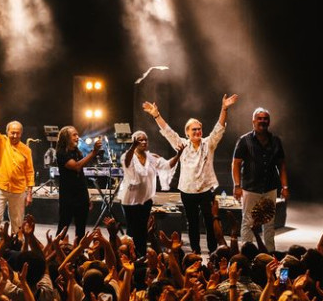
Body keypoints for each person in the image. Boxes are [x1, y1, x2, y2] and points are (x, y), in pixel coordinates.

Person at [142, 94, 237, 253]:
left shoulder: (209, 144)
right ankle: (195, 252)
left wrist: (224, 108)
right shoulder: (182, 144)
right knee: (192, 223)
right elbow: (168, 131)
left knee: (209, 221)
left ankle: (213, 251)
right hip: (187, 190)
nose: (198, 132)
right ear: (187, 133)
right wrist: (156, 115)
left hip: (206, 190)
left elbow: (219, 127)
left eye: (199, 129)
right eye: (194, 130)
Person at [116, 132, 180, 258]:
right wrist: (132, 147)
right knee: (132, 229)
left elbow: (167, 165)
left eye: (146, 140)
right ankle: (130, 255)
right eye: (140, 140)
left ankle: (141, 254)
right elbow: (127, 163)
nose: (144, 142)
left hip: (146, 199)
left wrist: (179, 154)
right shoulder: (127, 156)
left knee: (143, 229)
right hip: (130, 200)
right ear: (134, 142)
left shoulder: (151, 157)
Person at [232, 106, 288, 250]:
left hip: (270, 187)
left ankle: (270, 255)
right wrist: (237, 185)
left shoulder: (276, 141)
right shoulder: (244, 140)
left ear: (269, 121)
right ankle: (247, 254)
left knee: (269, 224)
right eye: (260, 118)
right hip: (250, 188)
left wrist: (285, 186)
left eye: (265, 119)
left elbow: (281, 165)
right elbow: (236, 164)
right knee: (248, 222)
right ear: (253, 121)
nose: (262, 121)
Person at [0, 95, 34, 234]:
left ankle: (15, 247)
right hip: (0, 186)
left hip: (18, 190)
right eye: (12, 133)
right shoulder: (1, 142)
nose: (15, 136)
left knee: (17, 222)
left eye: (18, 133)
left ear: (21, 133)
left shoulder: (26, 150)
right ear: (7, 132)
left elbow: (29, 172)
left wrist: (29, 193)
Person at [54, 126, 101, 239]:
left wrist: (87, 196)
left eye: (77, 134)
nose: (77, 137)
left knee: (81, 228)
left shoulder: (77, 152)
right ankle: (54, 252)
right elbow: (77, 167)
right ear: (66, 138)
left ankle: (79, 253)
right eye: (74, 135)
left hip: (81, 194)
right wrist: (94, 152)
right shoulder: (61, 153)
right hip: (68, 195)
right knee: (63, 226)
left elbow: (81, 176)